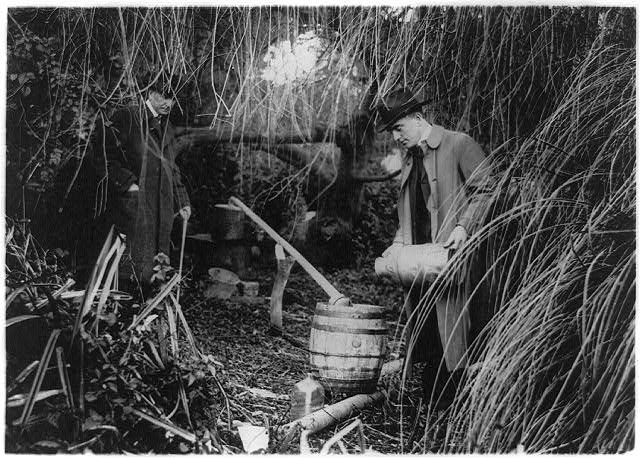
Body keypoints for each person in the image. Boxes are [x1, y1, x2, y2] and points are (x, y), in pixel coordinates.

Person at [376, 88, 491, 404]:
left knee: (453, 340)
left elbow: (487, 191)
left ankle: (456, 419)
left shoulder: (459, 143)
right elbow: (409, 214)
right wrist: (397, 246)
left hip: (452, 264)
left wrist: (463, 226)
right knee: (426, 339)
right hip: (420, 266)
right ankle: (430, 415)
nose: (395, 137)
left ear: (417, 118)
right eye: (391, 132)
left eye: (398, 128)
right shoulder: (411, 159)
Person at [95, 83, 191, 297]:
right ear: (150, 92)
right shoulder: (129, 117)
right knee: (131, 262)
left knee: (157, 262)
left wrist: (182, 200)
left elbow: (171, 168)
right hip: (133, 203)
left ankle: (148, 309)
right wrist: (128, 184)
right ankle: (124, 307)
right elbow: (103, 155)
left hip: (160, 205)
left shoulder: (167, 127)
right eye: (164, 96)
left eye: (173, 98)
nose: (169, 103)